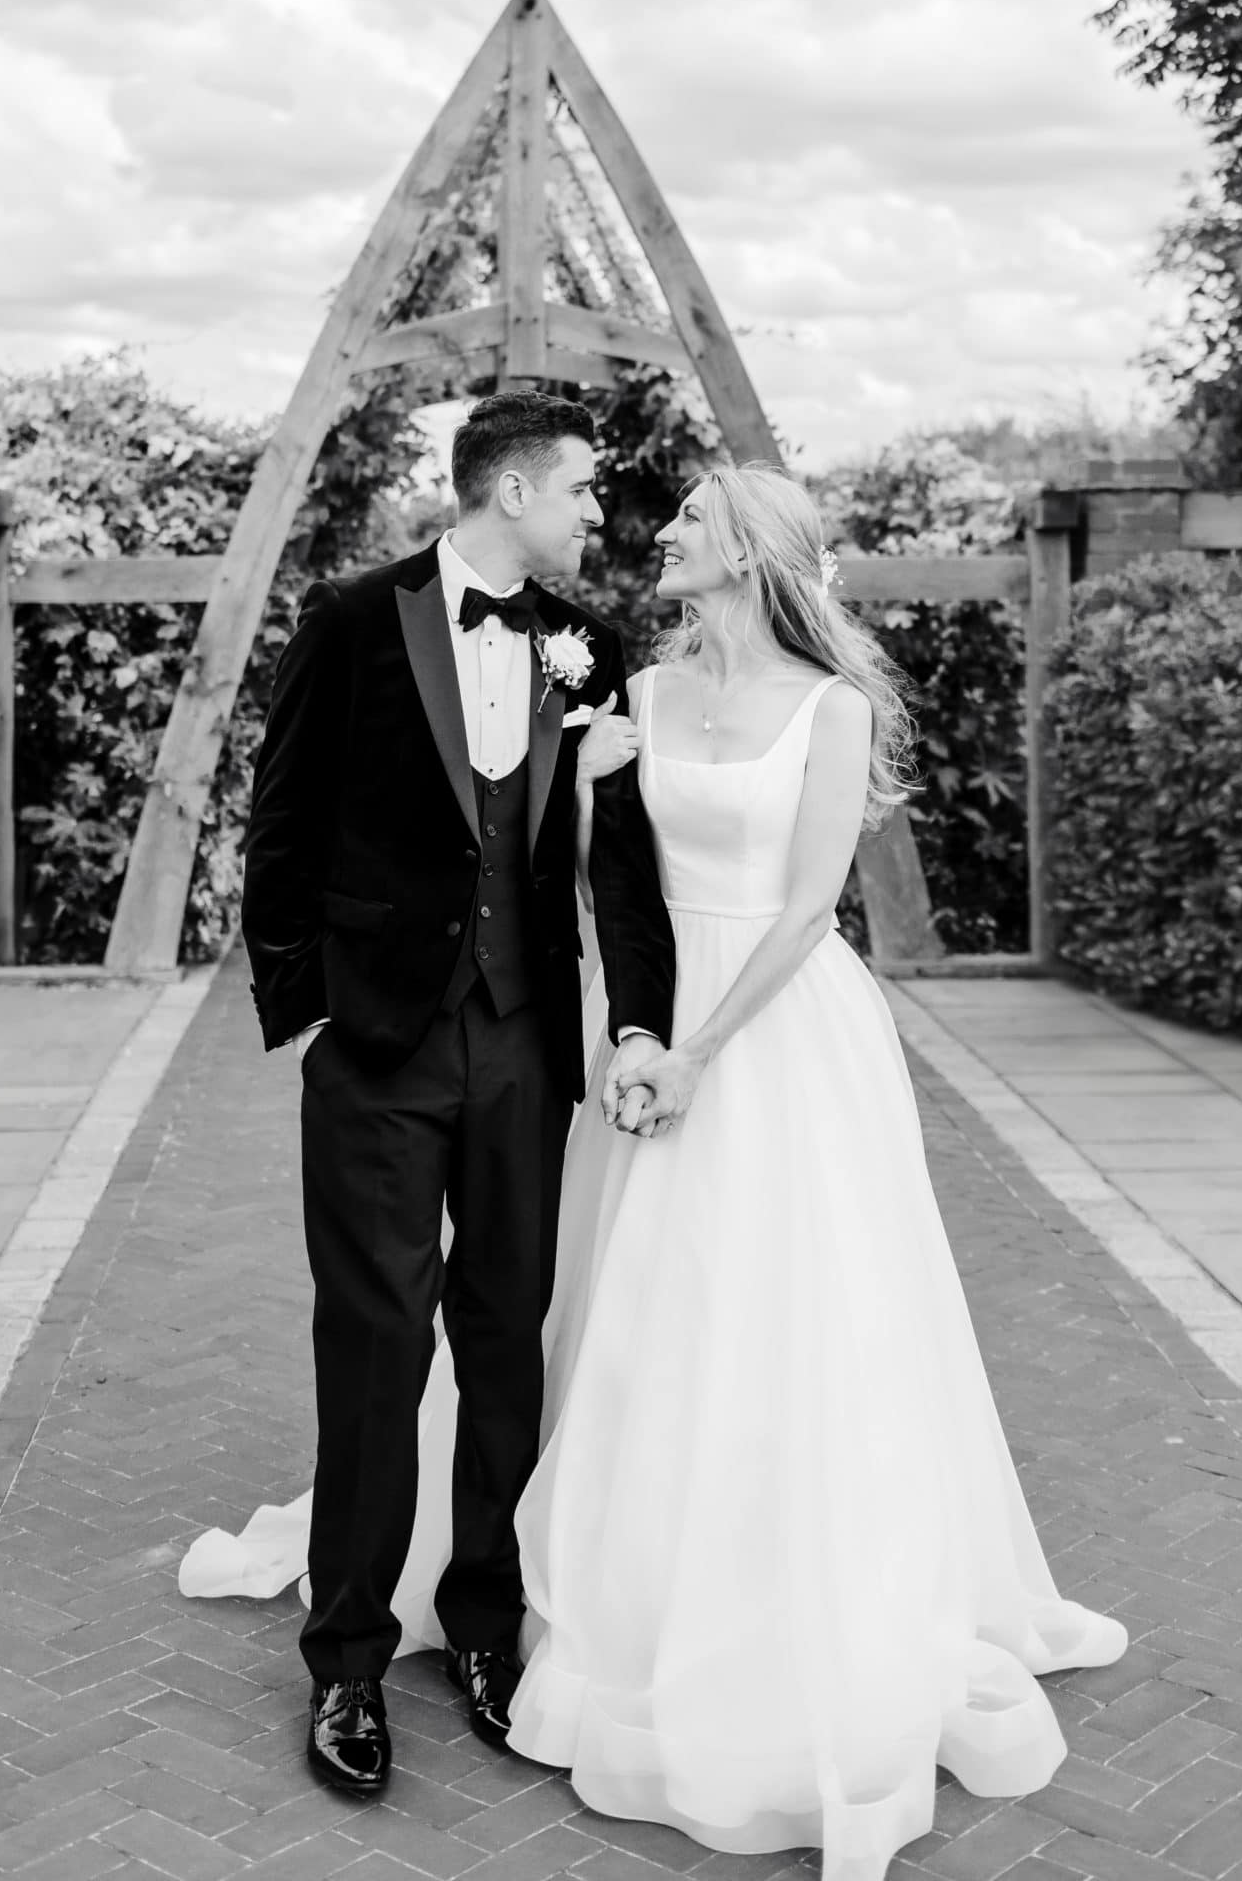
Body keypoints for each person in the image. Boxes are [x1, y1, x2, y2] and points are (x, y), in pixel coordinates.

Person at [504, 463, 1127, 1881]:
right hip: (657, 1024)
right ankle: (638, 1582)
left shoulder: (834, 709)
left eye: (687, 525)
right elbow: (606, 881)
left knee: (802, 1307)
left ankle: (804, 1588)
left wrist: (701, 1054)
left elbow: (803, 910)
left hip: (779, 1031)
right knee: (641, 1306)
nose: (660, 536)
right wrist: (631, 1025)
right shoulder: (641, 700)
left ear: (750, 554)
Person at [234, 390, 675, 1799]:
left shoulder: (592, 647)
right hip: (380, 1046)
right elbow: (283, 825)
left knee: (506, 1335)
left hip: (527, 1043)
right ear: (510, 493)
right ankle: (349, 1661)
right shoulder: (356, 620)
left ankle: (489, 1626)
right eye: (583, 491)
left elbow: (616, 861)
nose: (597, 515)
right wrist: (311, 1012)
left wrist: (639, 1024)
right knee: (374, 1341)